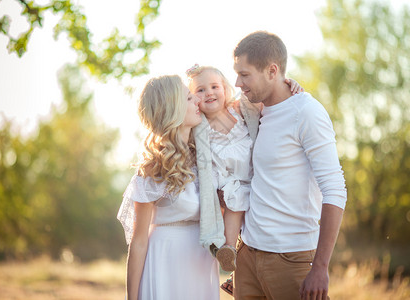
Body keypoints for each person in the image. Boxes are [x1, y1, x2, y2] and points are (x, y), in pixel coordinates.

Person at [232, 31, 347, 300]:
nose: (237, 82)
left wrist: (320, 268)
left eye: (245, 74)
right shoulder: (252, 110)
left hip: (292, 260)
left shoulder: (306, 112)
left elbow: (335, 189)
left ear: (272, 71)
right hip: (247, 256)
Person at [186, 65, 302, 286]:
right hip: (227, 180)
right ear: (193, 99)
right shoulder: (198, 126)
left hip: (256, 178)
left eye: (214, 87)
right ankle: (228, 249)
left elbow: (271, 96)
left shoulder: (240, 109)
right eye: (200, 90)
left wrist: (289, 85)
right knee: (235, 201)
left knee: (254, 227)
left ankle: (237, 272)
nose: (209, 92)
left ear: (225, 89)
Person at [116, 75, 220, 300]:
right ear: (172, 109)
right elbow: (139, 240)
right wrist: (131, 298)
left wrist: (287, 87)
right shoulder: (154, 168)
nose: (198, 102)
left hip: (200, 260)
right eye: (189, 98)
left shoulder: (204, 156)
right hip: (165, 259)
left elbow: (237, 109)